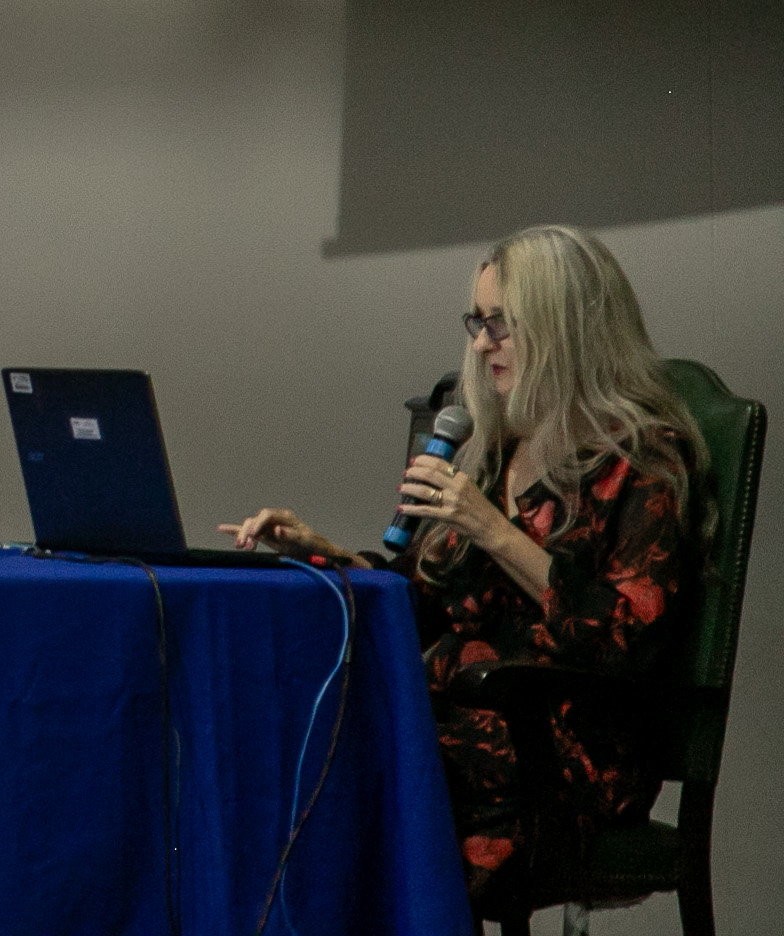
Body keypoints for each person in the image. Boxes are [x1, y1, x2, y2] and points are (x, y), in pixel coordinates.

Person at [223, 225, 702, 911]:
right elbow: (421, 601)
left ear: (566, 327)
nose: (481, 345)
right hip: (464, 718)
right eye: (476, 322)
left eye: (501, 324)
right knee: (295, 730)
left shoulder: (644, 458)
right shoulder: (498, 449)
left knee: (377, 763)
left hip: (565, 746)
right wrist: (317, 551)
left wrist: (491, 529)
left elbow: (624, 638)